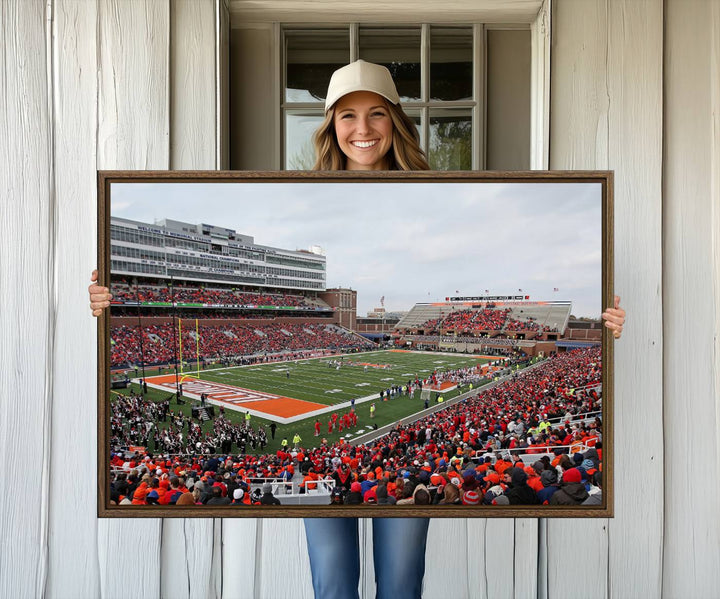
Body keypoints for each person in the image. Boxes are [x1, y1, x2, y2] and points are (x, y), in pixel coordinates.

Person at [88, 59, 627, 599]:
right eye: (347, 115)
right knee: (333, 584)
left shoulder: (440, 190)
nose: (362, 129)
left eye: (376, 114)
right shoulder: (301, 190)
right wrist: (106, 300)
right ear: (330, 125)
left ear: (395, 120)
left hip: (386, 479)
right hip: (346, 475)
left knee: (399, 582)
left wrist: (607, 324)